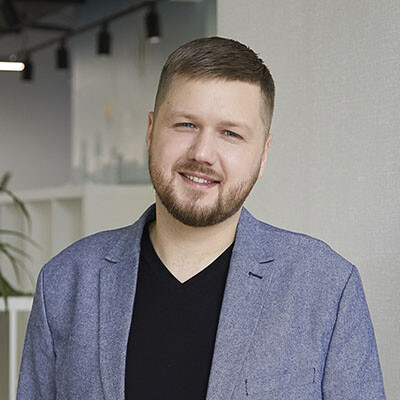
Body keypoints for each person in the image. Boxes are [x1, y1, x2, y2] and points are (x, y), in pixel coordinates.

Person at [17, 37, 386, 400]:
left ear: (263, 155)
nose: (203, 153)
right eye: (186, 125)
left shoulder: (326, 286)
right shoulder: (65, 282)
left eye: (231, 133)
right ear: (150, 132)